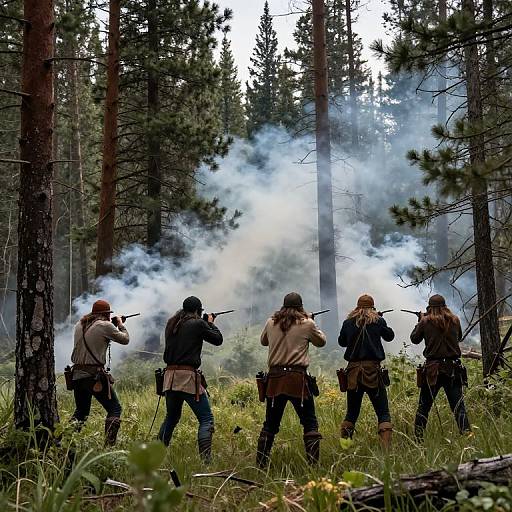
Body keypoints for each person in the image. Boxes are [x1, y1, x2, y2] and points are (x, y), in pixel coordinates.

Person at [256, 292, 327, 468]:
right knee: (310, 423)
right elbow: (321, 342)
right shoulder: (307, 323)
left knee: (270, 425)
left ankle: (260, 466)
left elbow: (263, 341)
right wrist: (309, 320)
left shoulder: (271, 322)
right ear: (300, 306)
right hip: (297, 380)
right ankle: (313, 467)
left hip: (275, 380)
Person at [158, 296, 223, 462]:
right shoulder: (198, 323)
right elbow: (218, 340)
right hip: (187, 378)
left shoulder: (172, 323)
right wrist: (210, 322)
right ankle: (206, 462)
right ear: (197, 310)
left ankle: (155, 456)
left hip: (170, 377)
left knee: (171, 417)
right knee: (206, 419)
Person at [70, 299, 130, 446]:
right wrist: (120, 325)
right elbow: (125, 339)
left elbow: (95, 337)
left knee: (81, 413)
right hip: (94, 375)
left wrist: (112, 326)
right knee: (115, 409)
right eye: (108, 315)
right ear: (105, 314)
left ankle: (65, 442)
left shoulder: (80, 324)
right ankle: (109, 448)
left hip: (77, 375)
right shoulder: (105, 325)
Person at [338, 294, 394, 448]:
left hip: (353, 373)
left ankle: (346, 448)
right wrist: (380, 320)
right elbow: (390, 336)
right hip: (373, 372)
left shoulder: (348, 322)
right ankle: (386, 453)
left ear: (357, 306)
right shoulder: (378, 320)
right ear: (372, 306)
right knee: (383, 413)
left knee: (351, 414)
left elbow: (341, 342)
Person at [411, 294, 470, 439]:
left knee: (424, 408)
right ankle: (468, 437)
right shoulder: (455, 320)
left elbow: (414, 339)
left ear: (430, 307)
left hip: (433, 370)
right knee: (459, 408)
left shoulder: (425, 321)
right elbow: (459, 337)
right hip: (452, 369)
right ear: (445, 306)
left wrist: (419, 321)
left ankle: (418, 440)